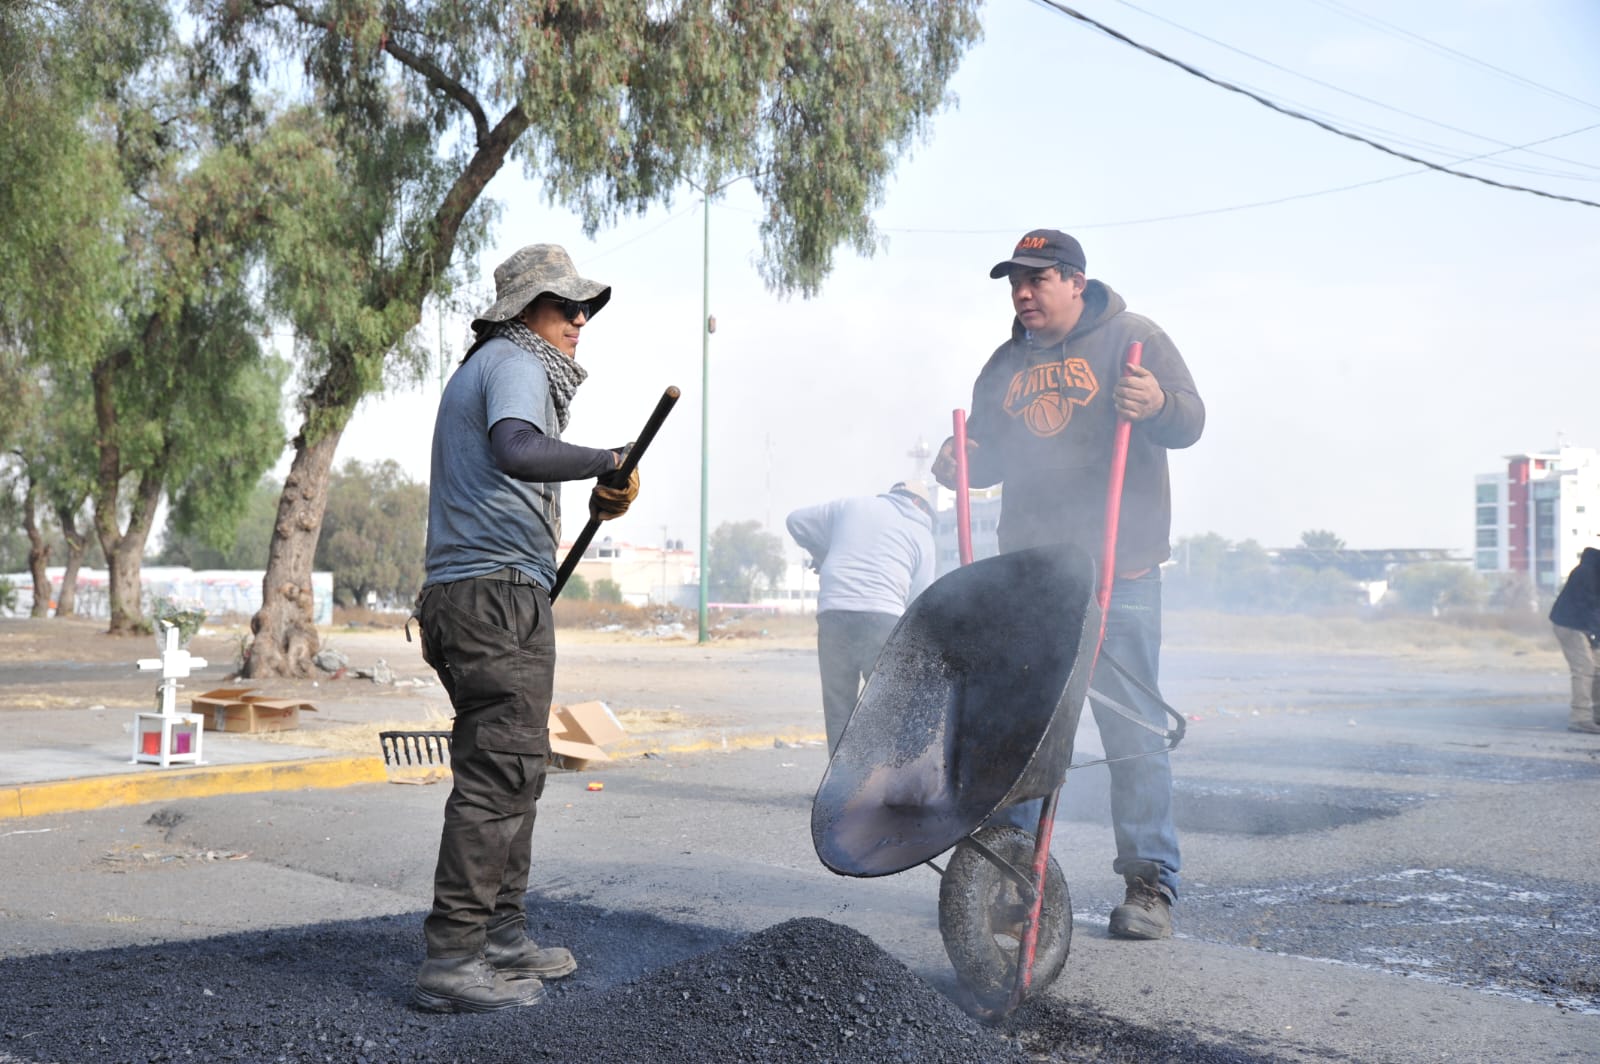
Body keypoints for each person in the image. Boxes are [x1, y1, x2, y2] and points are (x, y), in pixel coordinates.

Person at [931, 229, 1204, 941]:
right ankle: (1015, 879)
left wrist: (1160, 405)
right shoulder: (1003, 365)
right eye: (1014, 282)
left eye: (1038, 279)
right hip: (1032, 580)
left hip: (1123, 569)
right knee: (1021, 737)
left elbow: (1190, 421)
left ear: (1076, 282)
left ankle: (1151, 886)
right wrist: (960, 460)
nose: (1022, 293)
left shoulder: (1133, 338)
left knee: (1133, 734)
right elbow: (986, 458)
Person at [410, 244, 640, 1012]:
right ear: (522, 312)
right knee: (498, 774)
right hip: (491, 598)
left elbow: (507, 471)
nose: (579, 320)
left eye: (584, 309)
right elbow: (516, 450)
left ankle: (501, 937)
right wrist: (609, 457)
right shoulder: (513, 359)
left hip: (489, 593)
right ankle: (453, 960)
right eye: (563, 306)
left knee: (517, 768)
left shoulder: (497, 368)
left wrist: (595, 495)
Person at [786, 481, 938, 753]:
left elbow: (795, 521)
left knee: (838, 706)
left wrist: (824, 554)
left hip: (834, 613)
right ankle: (876, 786)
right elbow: (919, 601)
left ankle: (839, 791)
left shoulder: (852, 506)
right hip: (883, 617)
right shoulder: (922, 533)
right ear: (919, 503)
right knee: (885, 707)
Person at [1549, 547, 1600, 734]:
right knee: (1585, 668)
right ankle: (1580, 719)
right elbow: (1589, 607)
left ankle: (1597, 715)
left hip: (1585, 625)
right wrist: (1596, 634)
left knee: (1598, 668)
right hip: (1570, 624)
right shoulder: (1587, 573)